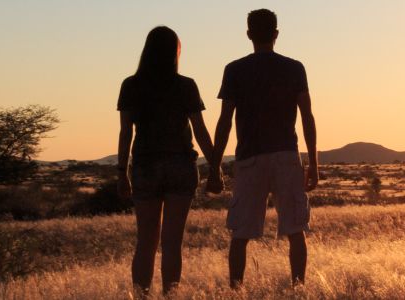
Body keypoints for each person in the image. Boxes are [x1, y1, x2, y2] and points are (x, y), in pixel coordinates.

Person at [211, 8, 318, 288]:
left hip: (249, 158)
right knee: (296, 229)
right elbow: (307, 117)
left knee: (240, 232)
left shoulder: (234, 70)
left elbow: (225, 121)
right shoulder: (295, 68)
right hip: (286, 155)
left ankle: (236, 290)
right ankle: (299, 288)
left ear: (248, 35)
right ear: (276, 34)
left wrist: (214, 165)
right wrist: (314, 164)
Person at [116, 26, 222, 294]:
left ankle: (141, 296)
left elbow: (126, 132)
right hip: (180, 166)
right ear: (175, 51)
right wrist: (215, 166)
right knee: (172, 243)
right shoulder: (185, 85)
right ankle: (170, 296)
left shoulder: (131, 85)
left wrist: (121, 173)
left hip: (145, 166)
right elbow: (200, 130)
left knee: (146, 243)